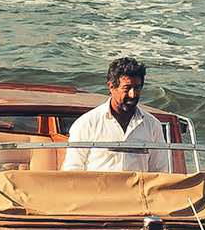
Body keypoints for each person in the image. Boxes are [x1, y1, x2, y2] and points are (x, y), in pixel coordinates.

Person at [67, 56, 195, 169]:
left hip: (139, 195)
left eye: (137, 88)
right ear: (111, 87)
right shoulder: (86, 123)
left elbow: (159, 171)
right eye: (127, 88)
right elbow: (73, 169)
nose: (133, 94)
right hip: (97, 194)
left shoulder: (152, 125)